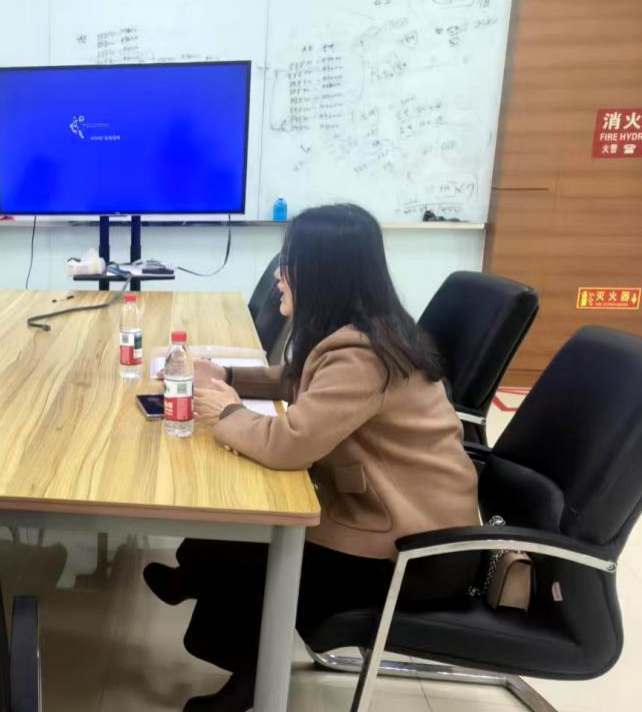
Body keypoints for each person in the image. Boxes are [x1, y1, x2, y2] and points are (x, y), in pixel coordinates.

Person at [144, 204, 480, 711]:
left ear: (324, 272)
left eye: (289, 263)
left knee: (261, 542)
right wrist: (230, 376)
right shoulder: (364, 333)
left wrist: (227, 411)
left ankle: (250, 684)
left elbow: (289, 445)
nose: (279, 276)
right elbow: (298, 382)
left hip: (416, 553)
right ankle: (196, 576)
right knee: (241, 516)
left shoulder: (364, 355)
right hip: (398, 518)